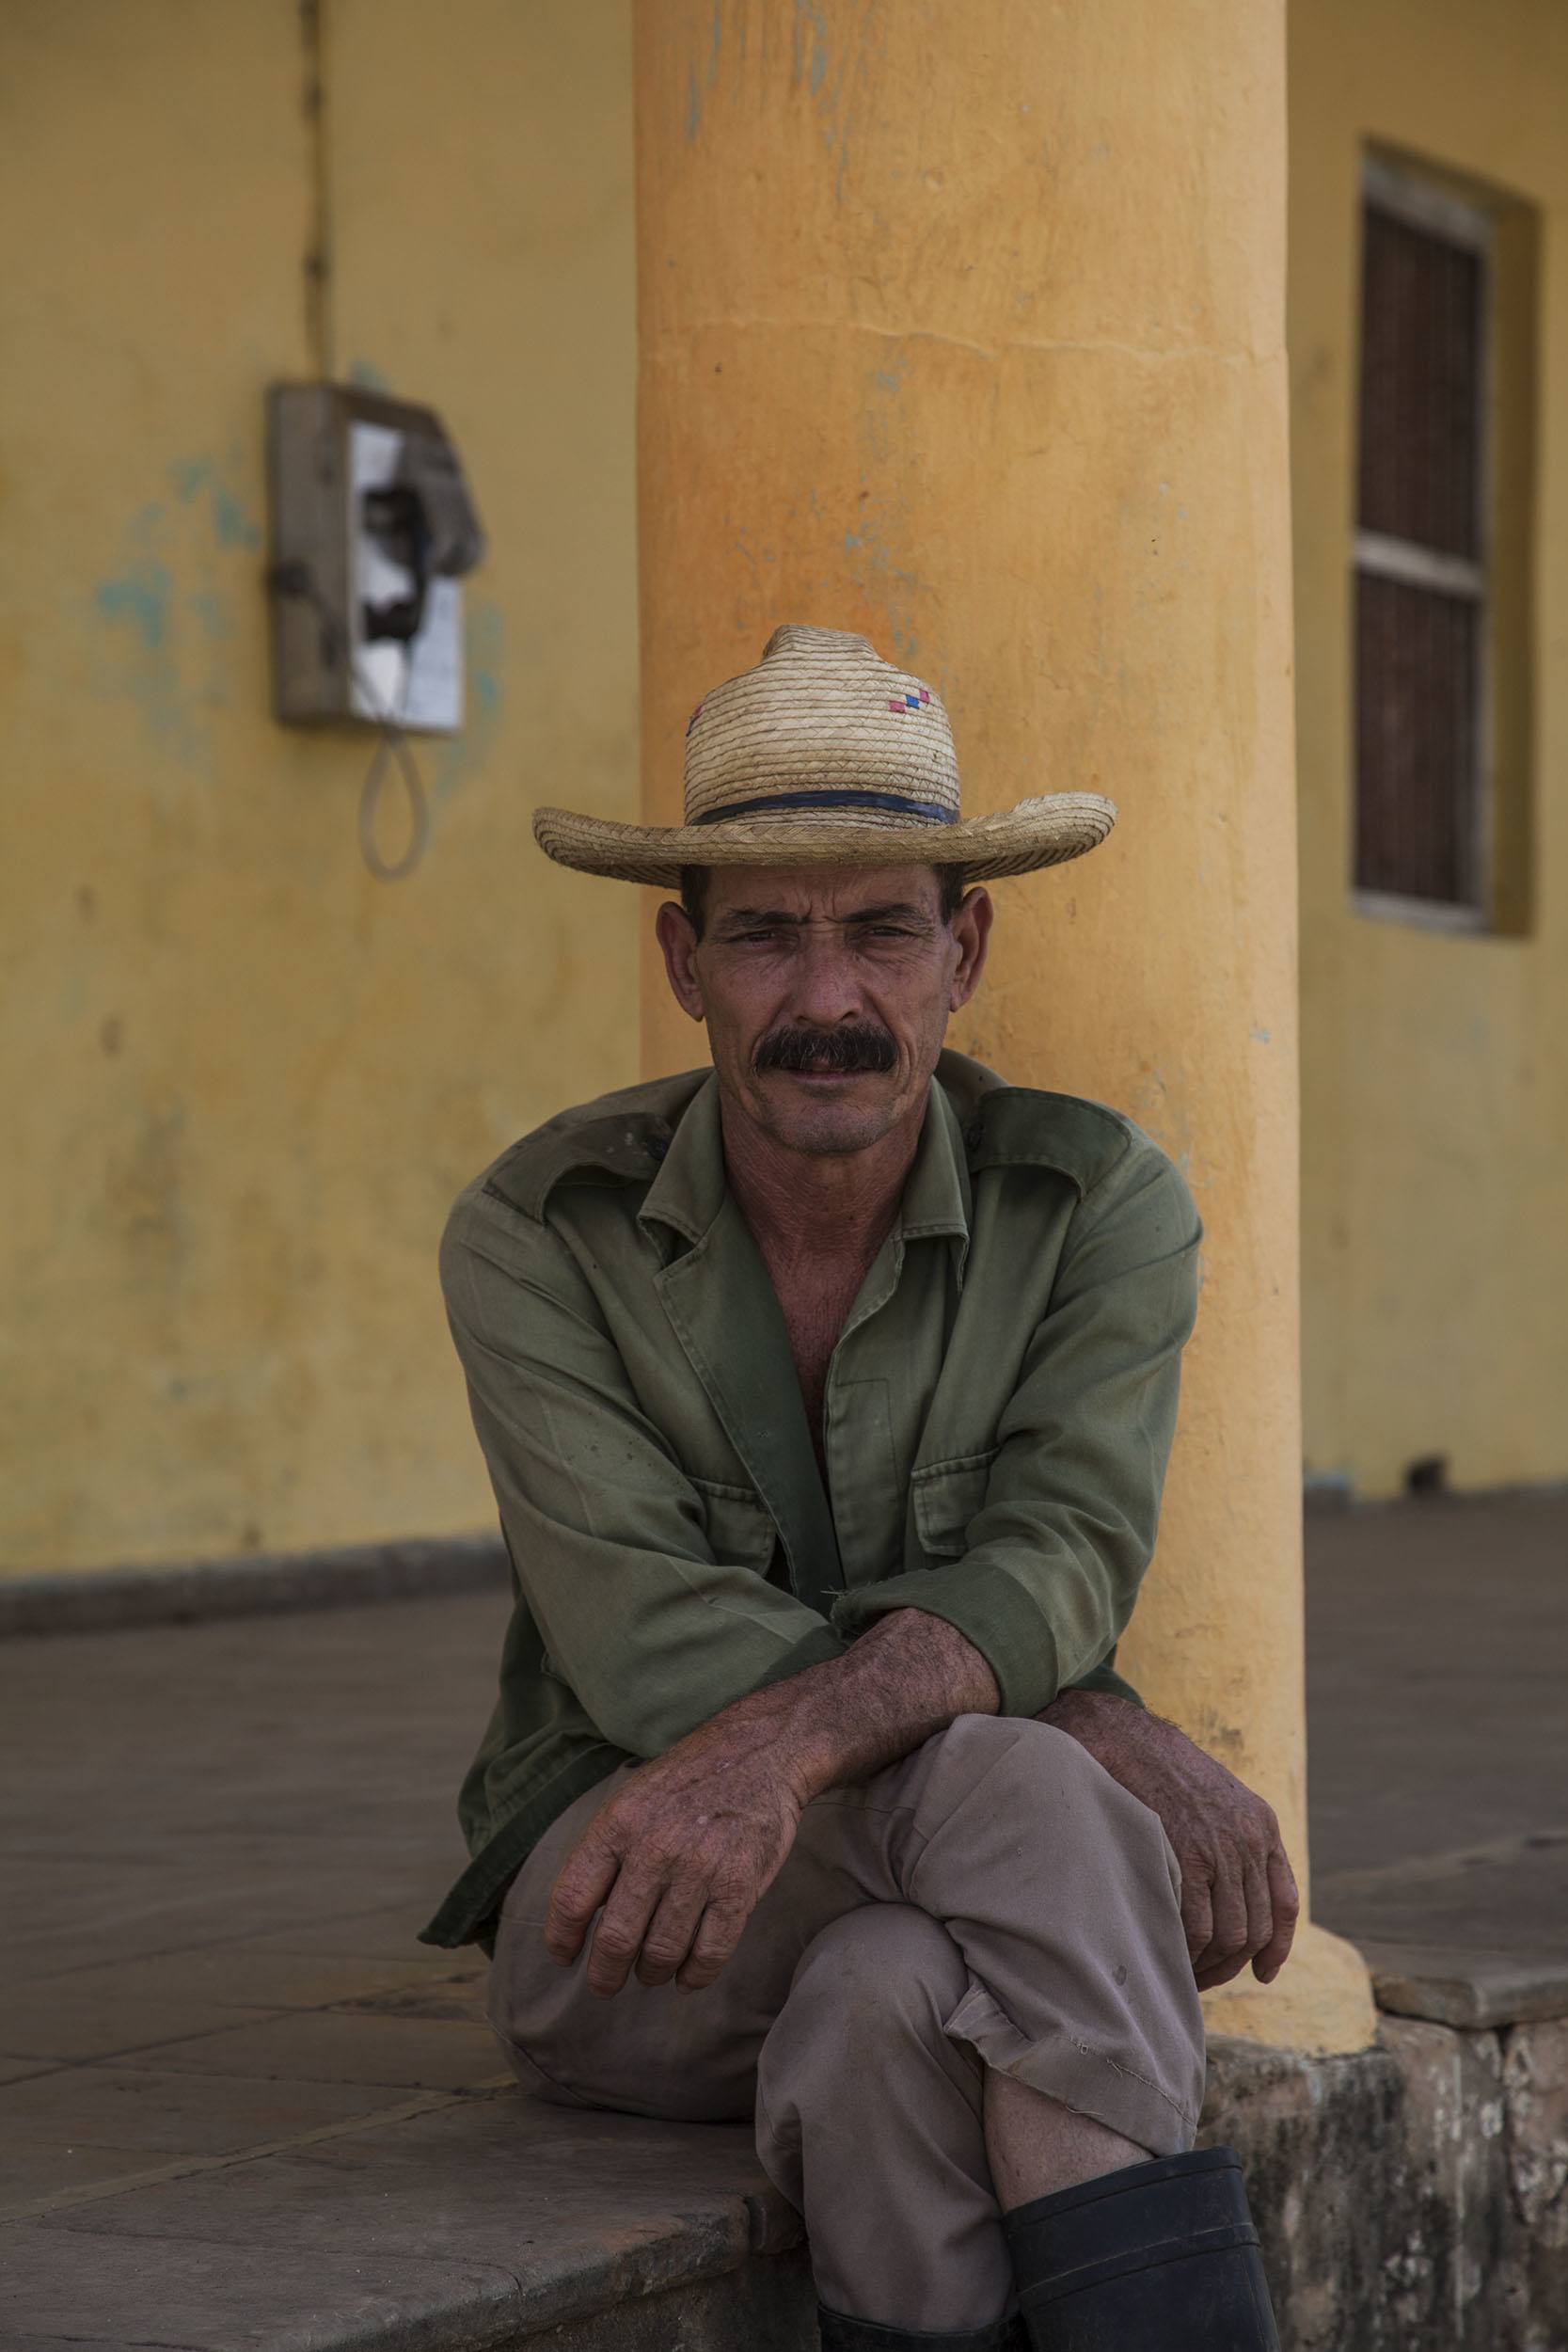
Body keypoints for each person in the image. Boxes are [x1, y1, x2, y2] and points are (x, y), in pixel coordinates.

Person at [420, 625, 1294, 2349]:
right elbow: (651, 1650)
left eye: (882, 929)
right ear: (685, 962)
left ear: (963, 948)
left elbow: (1068, 1556)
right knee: (1035, 1801)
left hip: (892, 1918)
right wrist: (1058, 1714)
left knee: (887, 2003)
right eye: (764, 936)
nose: (828, 1001)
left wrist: (963, 1695)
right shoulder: (540, 1233)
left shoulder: (1095, 1206)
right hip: (636, 1903)